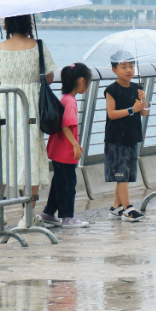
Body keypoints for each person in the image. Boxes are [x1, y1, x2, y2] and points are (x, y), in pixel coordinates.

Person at [0, 14, 57, 227]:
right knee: (30, 158)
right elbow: (49, 77)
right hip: (31, 108)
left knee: (3, 156)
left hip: (6, 109)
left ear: (7, 25)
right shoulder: (38, 47)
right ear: (28, 23)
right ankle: (28, 214)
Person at [40, 63, 91, 229]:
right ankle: (67, 217)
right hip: (65, 152)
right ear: (82, 81)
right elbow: (65, 126)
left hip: (58, 151)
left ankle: (48, 213)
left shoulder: (64, 98)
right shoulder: (70, 102)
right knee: (68, 186)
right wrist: (76, 145)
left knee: (59, 183)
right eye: (88, 83)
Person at [104, 57, 149, 222]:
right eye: (123, 67)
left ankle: (117, 208)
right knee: (121, 174)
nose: (129, 70)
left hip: (132, 136)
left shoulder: (137, 88)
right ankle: (128, 208)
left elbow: (144, 112)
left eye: (131, 66)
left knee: (125, 174)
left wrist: (143, 99)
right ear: (114, 70)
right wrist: (131, 109)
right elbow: (111, 113)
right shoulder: (111, 90)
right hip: (116, 138)